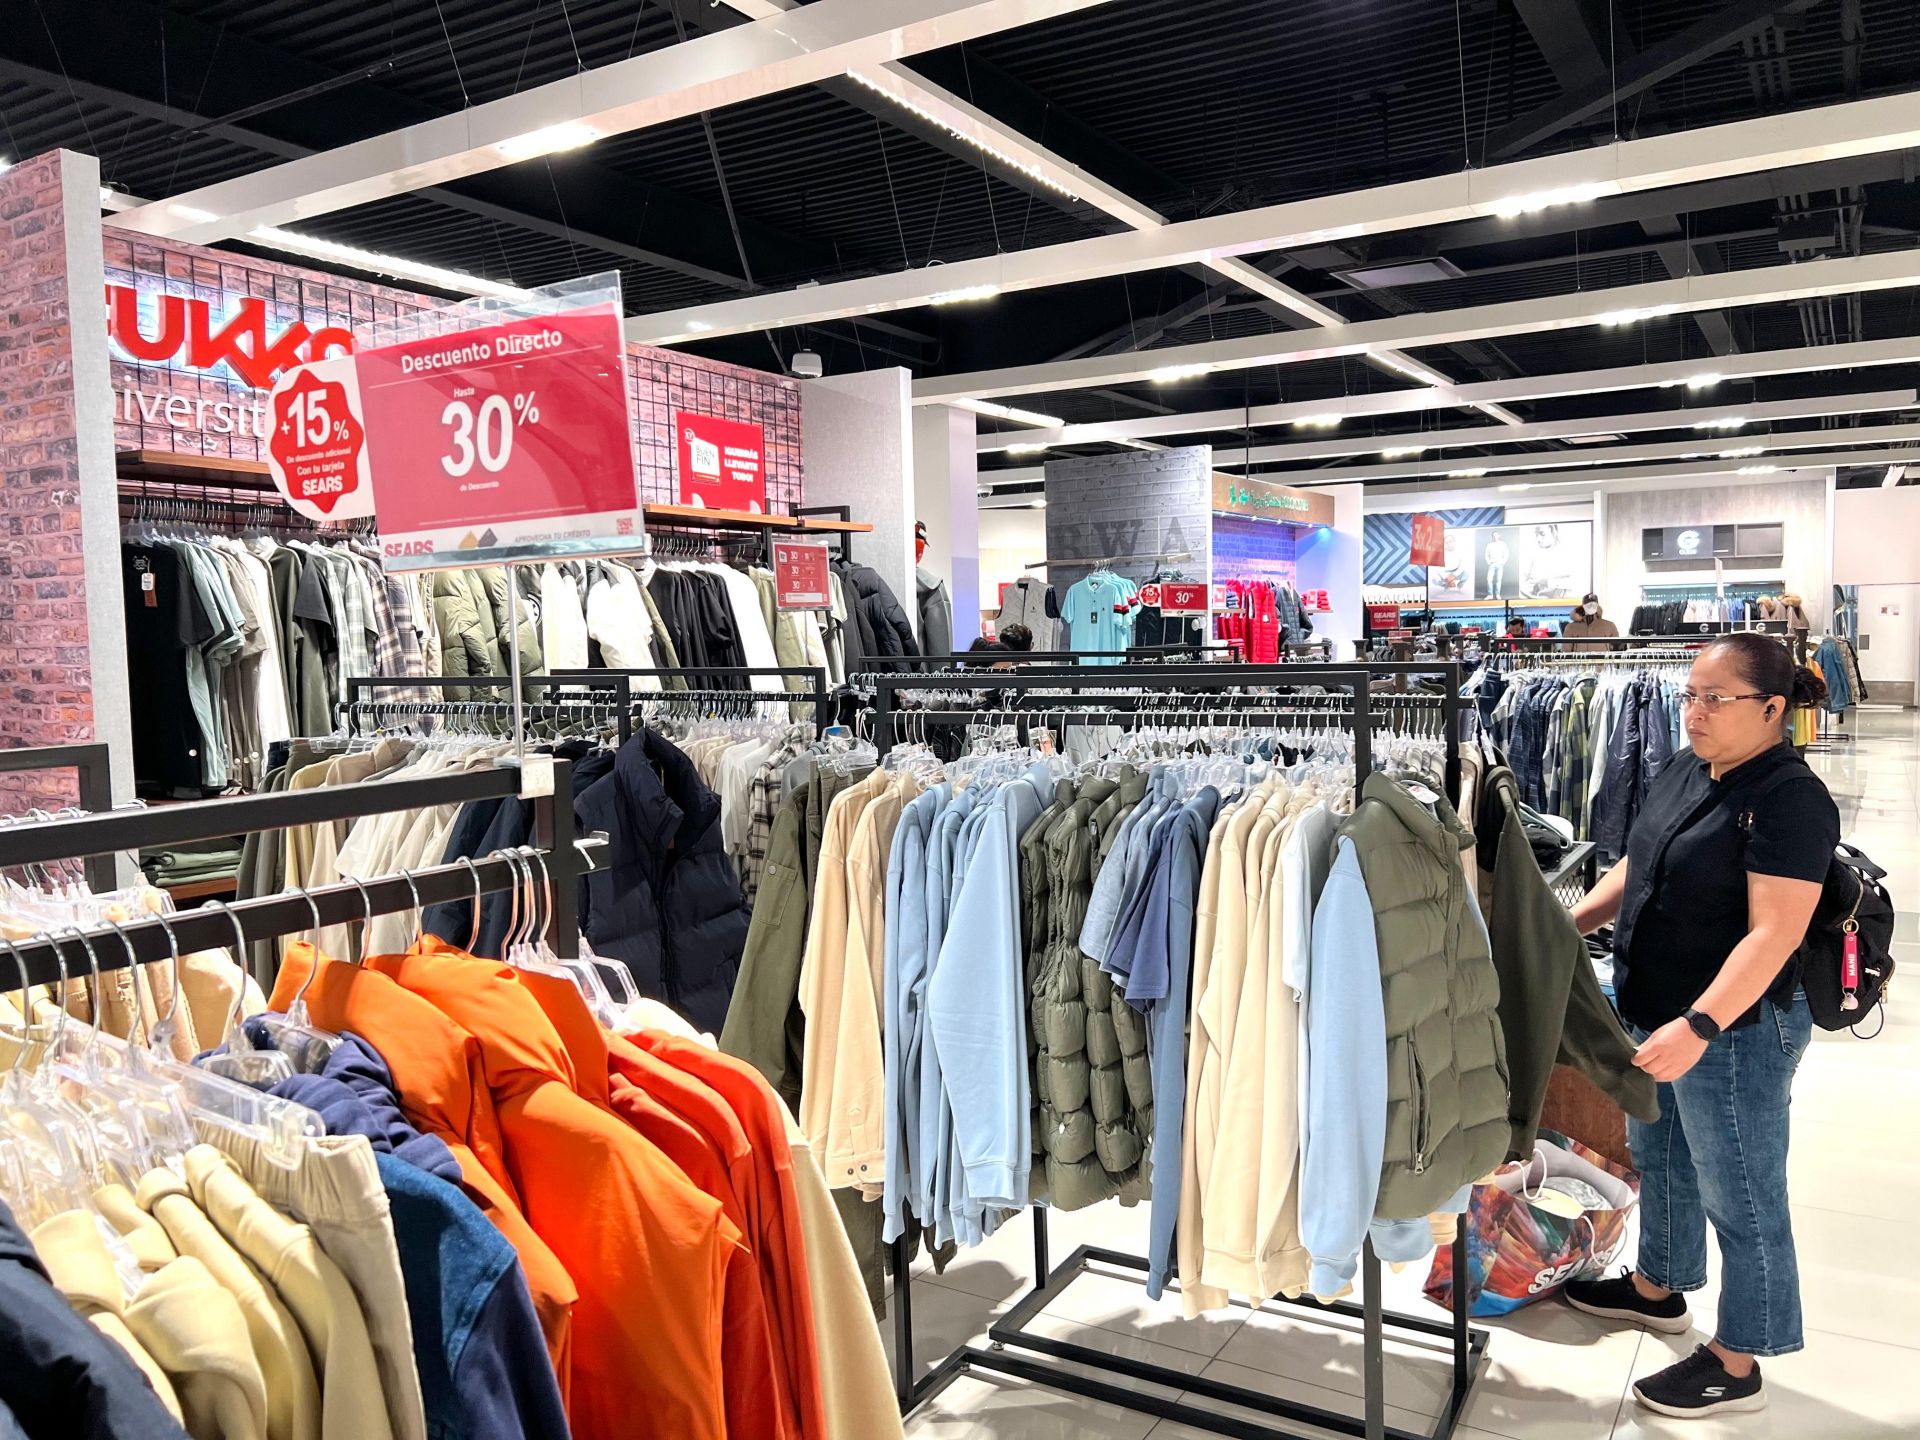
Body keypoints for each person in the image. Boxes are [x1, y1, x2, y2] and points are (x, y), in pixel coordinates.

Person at [1562, 632, 1837, 1420]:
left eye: (1715, 699)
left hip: (1735, 1030)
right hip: (1658, 1011)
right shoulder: (1689, 767)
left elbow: (1773, 932)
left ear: (1772, 708)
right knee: (1662, 1157)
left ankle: (1739, 1359)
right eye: (1690, 695)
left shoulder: (1790, 799)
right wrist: (1570, 923)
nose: (1694, 712)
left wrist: (1701, 1025)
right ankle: (1659, 1288)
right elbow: (1639, 863)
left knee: (1741, 1191)